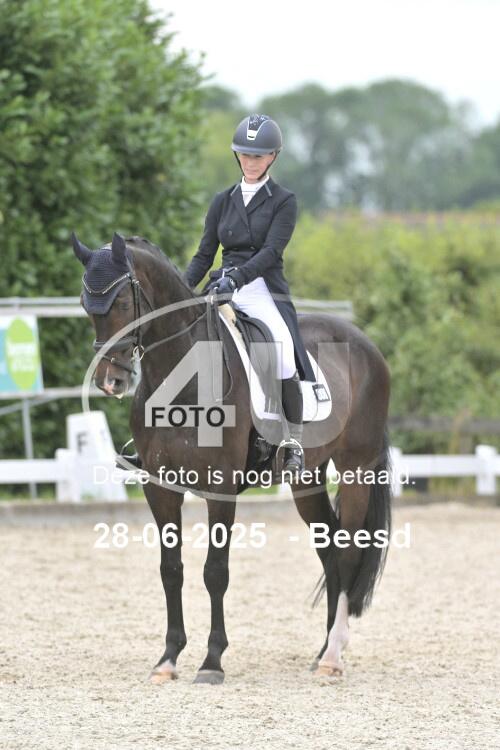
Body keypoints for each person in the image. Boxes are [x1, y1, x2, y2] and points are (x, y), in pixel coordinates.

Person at [184, 114, 315, 475]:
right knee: (180, 341)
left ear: (272, 157)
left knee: (282, 351)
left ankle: (292, 443)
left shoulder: (283, 201)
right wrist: (181, 290)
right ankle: (161, 435)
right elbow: (204, 255)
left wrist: (238, 279)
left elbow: (271, 252)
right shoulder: (222, 201)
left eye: (258, 156)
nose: (250, 162)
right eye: (244, 155)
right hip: (222, 286)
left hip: (261, 288)